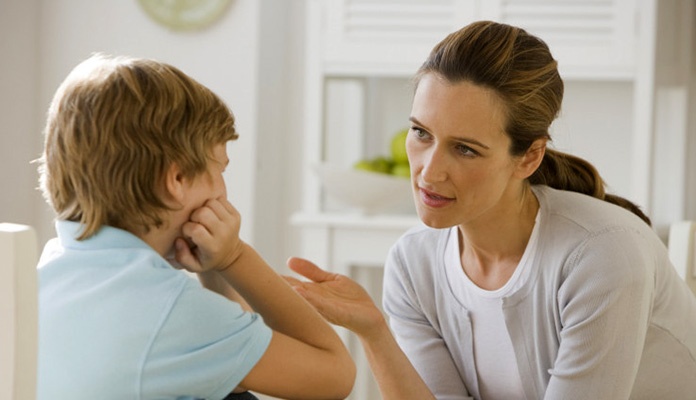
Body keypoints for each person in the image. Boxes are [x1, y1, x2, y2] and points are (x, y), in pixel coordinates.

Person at [285, 20, 696, 400]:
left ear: (529, 157)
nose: (429, 172)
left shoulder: (602, 255)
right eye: (421, 133)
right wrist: (373, 331)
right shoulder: (414, 263)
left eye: (465, 149)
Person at [37, 53, 355, 400]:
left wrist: (213, 272)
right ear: (176, 179)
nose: (222, 191)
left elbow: (231, 366)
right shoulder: (170, 312)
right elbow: (334, 375)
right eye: (220, 170)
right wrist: (233, 258)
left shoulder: (48, 271)